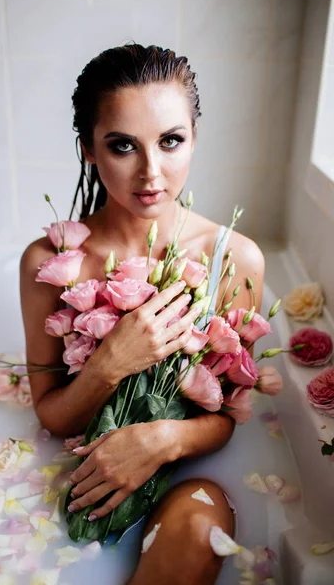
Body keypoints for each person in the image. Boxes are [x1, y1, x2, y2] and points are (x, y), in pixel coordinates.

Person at [20, 43, 265, 585]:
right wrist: (112, 361)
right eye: (123, 146)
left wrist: (159, 441)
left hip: (187, 474)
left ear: (194, 138)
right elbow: (53, 414)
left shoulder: (232, 259)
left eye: (171, 141)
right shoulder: (51, 264)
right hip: (76, 483)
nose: (152, 172)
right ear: (88, 148)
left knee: (202, 524)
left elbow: (226, 416)